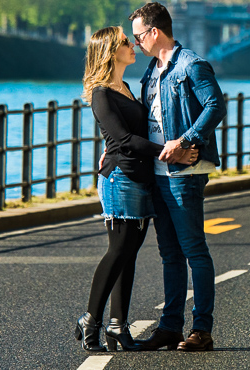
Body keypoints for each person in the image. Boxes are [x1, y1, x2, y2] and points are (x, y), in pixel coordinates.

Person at [75, 26, 197, 353]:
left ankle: (117, 326)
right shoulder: (101, 93)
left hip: (139, 179)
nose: (133, 45)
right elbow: (124, 140)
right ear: (111, 50)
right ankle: (91, 320)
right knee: (119, 251)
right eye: (126, 42)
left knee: (128, 254)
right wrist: (169, 150)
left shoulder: (127, 87)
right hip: (119, 178)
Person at [129, 2, 227, 352]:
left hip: (185, 171)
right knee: (170, 254)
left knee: (194, 250)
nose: (136, 42)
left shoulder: (191, 65)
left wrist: (187, 140)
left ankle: (201, 330)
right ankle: (170, 327)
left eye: (139, 35)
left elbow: (215, 106)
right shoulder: (151, 71)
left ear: (155, 32)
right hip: (158, 171)